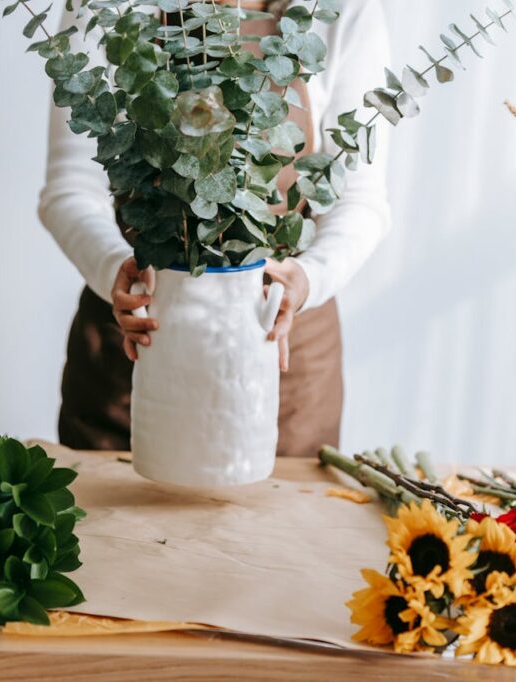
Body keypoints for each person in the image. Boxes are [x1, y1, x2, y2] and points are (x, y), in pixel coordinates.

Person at [39, 0, 391, 457]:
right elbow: (69, 186)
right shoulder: (104, 7)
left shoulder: (342, 9)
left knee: (278, 525)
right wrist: (113, 269)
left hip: (283, 344)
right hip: (136, 335)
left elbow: (360, 199)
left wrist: (311, 278)